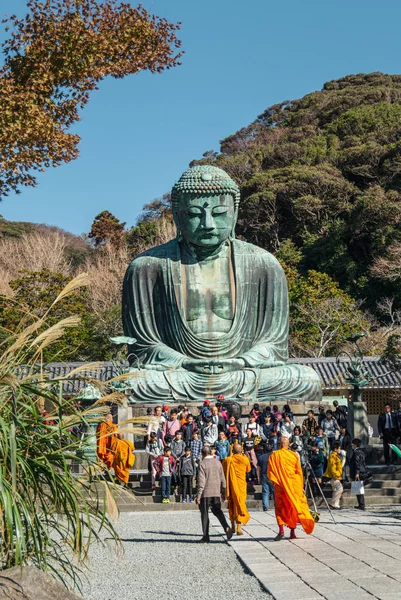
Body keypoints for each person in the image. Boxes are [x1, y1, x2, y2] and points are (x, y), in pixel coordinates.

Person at [268, 436, 315, 540]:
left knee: (280, 508)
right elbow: (299, 472)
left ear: (279, 444)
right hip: (294, 486)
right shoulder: (294, 455)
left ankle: (281, 530)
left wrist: (275, 483)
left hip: (280, 486)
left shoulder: (274, 455)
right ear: (288, 444)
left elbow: (270, 473)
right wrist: (300, 486)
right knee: (293, 508)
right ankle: (292, 533)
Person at [196, 446, 233, 543]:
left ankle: (206, 535)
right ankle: (226, 527)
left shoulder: (202, 464)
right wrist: (223, 492)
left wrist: (199, 495)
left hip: (206, 493)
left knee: (204, 514)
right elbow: (223, 479)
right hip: (216, 492)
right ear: (211, 453)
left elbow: (201, 481)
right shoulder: (218, 463)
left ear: (203, 454)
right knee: (218, 511)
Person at [222, 443, 251, 535]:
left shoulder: (228, 460)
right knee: (240, 504)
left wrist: (229, 456)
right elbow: (248, 469)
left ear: (232, 451)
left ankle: (233, 527)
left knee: (232, 504)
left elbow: (223, 468)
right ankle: (239, 528)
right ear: (241, 450)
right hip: (241, 485)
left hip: (231, 485)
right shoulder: (245, 459)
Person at [349, 438, 369, 511]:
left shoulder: (356, 452)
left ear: (355, 444)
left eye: (352, 444)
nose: (351, 445)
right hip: (362, 471)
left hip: (358, 472)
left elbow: (357, 463)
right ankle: (361, 504)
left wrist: (357, 472)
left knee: (358, 488)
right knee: (359, 488)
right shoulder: (361, 451)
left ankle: (361, 504)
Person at [324, 441, 343, 510]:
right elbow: (332, 466)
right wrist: (334, 475)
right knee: (339, 489)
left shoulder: (336, 456)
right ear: (335, 449)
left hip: (337, 475)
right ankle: (333, 503)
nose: (339, 450)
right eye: (339, 448)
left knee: (336, 490)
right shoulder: (333, 456)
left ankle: (336, 504)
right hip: (333, 476)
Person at [257, 442, 275, 511]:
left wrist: (258, 478)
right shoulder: (274, 456)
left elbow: (258, 468)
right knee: (274, 492)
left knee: (265, 492)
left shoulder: (261, 457)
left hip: (264, 475)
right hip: (273, 476)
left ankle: (265, 506)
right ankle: (276, 504)